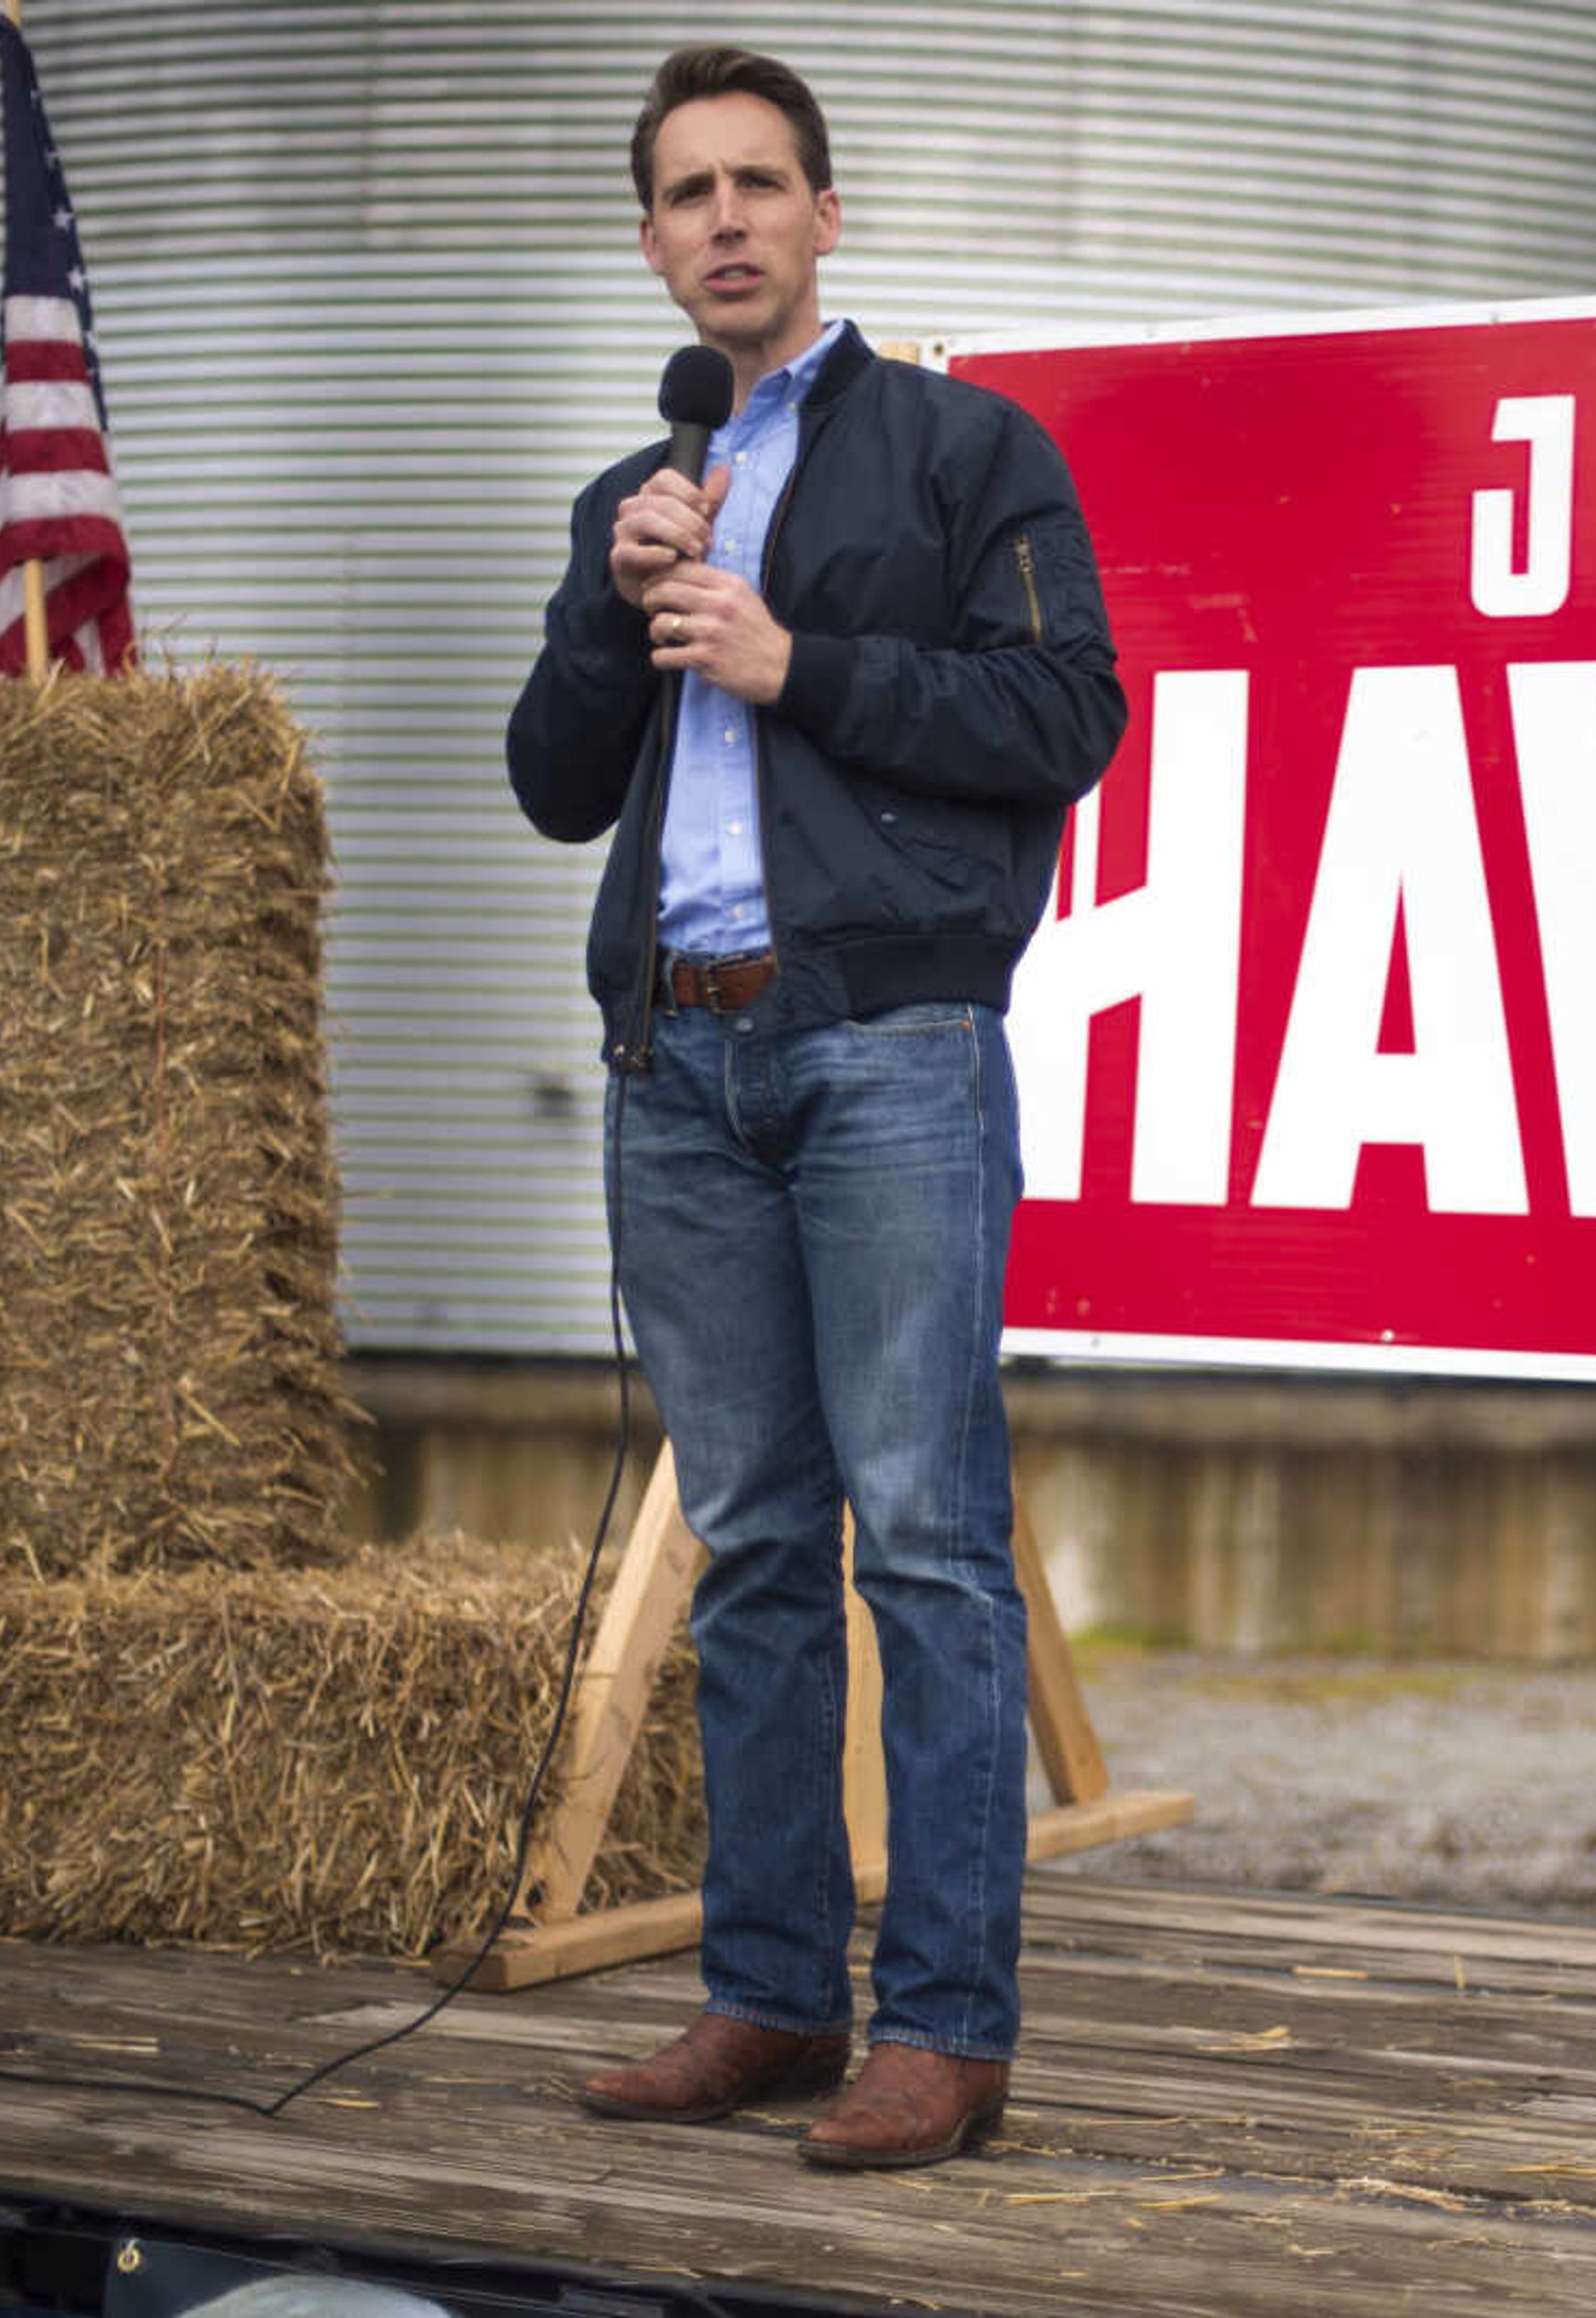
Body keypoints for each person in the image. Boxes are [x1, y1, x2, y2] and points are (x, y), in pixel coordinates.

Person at [505, 43, 1125, 2170]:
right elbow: (553, 782)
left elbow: (1070, 715)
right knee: (757, 1545)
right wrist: (621, 609)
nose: (728, 220)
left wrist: (801, 664)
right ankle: (770, 1995)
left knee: (929, 1546)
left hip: (886, 1055)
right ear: (655, 235)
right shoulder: (637, 489)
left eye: (763, 183)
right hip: (681, 1063)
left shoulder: (967, 450)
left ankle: (946, 2028)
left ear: (828, 214)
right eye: (687, 192)